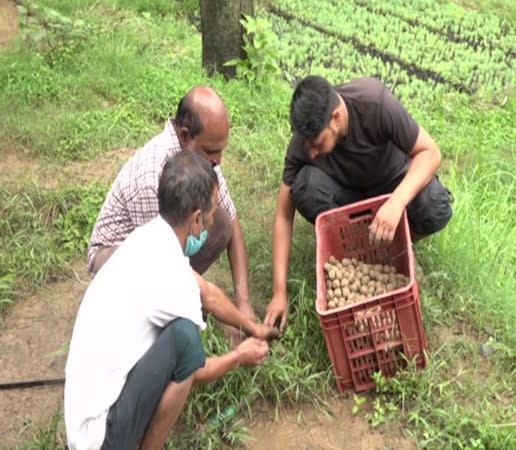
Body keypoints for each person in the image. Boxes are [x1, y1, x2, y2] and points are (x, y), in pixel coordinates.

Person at [65, 151, 271, 450]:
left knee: (178, 338)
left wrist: (254, 328)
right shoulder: (172, 276)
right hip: (102, 439)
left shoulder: (146, 239)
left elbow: (208, 293)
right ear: (197, 219)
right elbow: (194, 369)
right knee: (186, 341)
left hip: (84, 419)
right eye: (212, 213)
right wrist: (238, 357)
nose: (214, 220)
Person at [264, 76, 453, 331]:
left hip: (391, 184)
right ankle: (354, 251)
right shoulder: (304, 141)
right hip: (346, 194)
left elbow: (430, 153)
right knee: (305, 187)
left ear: (336, 118)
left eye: (316, 143)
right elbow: (283, 217)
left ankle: (398, 244)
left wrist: (396, 202)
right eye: (306, 144)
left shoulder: (374, 102)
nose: (310, 152)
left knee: (435, 204)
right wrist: (279, 292)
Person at [88, 86, 263, 341]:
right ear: (184, 135)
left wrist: (243, 302)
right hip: (115, 254)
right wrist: (212, 304)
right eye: (213, 151)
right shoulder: (151, 177)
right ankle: (163, 321)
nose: (219, 160)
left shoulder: (201, 157)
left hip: (161, 249)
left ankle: (188, 301)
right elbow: (159, 262)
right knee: (175, 321)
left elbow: (232, 222)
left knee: (221, 222)